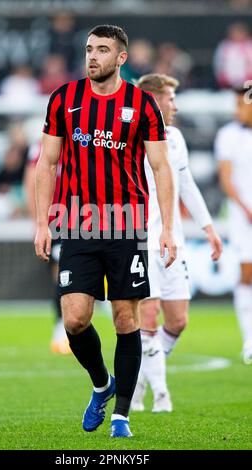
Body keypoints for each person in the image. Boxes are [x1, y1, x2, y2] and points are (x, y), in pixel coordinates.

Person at [34, 24, 176, 438]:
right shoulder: (64, 99)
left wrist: (167, 227)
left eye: (102, 50)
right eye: (89, 49)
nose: (92, 56)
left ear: (121, 58)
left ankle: (122, 416)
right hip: (77, 222)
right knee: (75, 319)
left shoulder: (142, 105)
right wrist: (42, 222)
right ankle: (102, 385)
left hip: (126, 224)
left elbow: (160, 167)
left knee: (124, 317)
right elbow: (46, 163)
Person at [131, 74, 222, 413]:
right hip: (140, 240)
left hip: (175, 240)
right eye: (171, 98)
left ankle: (139, 379)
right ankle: (161, 394)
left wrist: (208, 227)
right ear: (154, 100)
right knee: (148, 315)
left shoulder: (176, 138)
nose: (176, 105)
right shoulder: (129, 136)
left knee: (178, 321)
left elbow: (186, 185)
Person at [215, 85, 252, 365]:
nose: (239, 110)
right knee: (247, 274)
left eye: (243, 104)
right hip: (244, 217)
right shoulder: (228, 135)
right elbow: (226, 178)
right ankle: (248, 338)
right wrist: (245, 208)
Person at [24, 141, 71, 354]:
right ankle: (61, 328)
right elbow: (31, 181)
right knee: (62, 273)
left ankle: (67, 327)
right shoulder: (42, 145)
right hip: (57, 220)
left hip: (84, 218)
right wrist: (39, 222)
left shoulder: (77, 141)